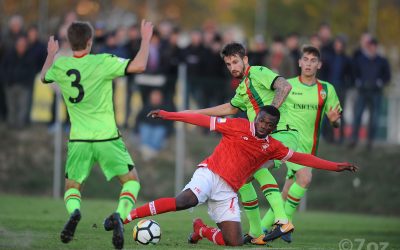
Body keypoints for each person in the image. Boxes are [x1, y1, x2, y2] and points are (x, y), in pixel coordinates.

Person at [124, 106, 357, 246]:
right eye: (262, 120)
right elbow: (202, 120)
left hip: (228, 191)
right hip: (210, 173)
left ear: (274, 127)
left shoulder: (273, 146)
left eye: (270, 124)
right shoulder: (237, 125)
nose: (264, 125)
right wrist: (168, 114)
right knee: (185, 201)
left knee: (234, 242)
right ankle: (128, 216)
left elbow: (304, 158)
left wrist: (336, 166)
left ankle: (201, 230)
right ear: (256, 118)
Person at [40, 19, 153, 249]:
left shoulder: (61, 65)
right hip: (107, 138)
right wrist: (146, 39)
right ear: (90, 42)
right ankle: (119, 216)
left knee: (72, 187)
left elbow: (44, 77)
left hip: (79, 139)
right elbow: (139, 65)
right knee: (131, 182)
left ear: (70, 43)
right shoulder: (103, 61)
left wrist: (51, 54)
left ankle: (75, 212)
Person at [184, 42, 296, 244]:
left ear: (245, 60)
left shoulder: (259, 72)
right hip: (265, 138)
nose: (232, 67)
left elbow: (284, 86)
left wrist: (268, 115)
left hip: (281, 134)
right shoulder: (243, 86)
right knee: (241, 178)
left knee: (257, 169)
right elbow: (230, 108)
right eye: (228, 64)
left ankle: (282, 220)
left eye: (236, 61)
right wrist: (197, 113)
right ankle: (256, 233)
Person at [261, 45, 343, 241]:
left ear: (319, 64)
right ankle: (286, 223)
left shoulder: (326, 89)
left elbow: (337, 121)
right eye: (305, 59)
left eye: (313, 60)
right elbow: (271, 111)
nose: (308, 63)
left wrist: (333, 120)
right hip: (289, 142)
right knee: (305, 178)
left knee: (287, 191)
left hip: (310, 148)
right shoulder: (286, 86)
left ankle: (261, 228)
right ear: (299, 62)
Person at [350, 38, 391, 149]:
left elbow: (387, 76)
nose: (372, 48)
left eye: (374, 46)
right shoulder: (360, 59)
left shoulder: (382, 61)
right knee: (357, 116)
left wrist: (380, 82)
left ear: (376, 47)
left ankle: (370, 142)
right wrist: (357, 81)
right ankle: (354, 139)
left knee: (374, 118)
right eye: (370, 46)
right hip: (362, 92)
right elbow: (354, 72)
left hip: (376, 93)